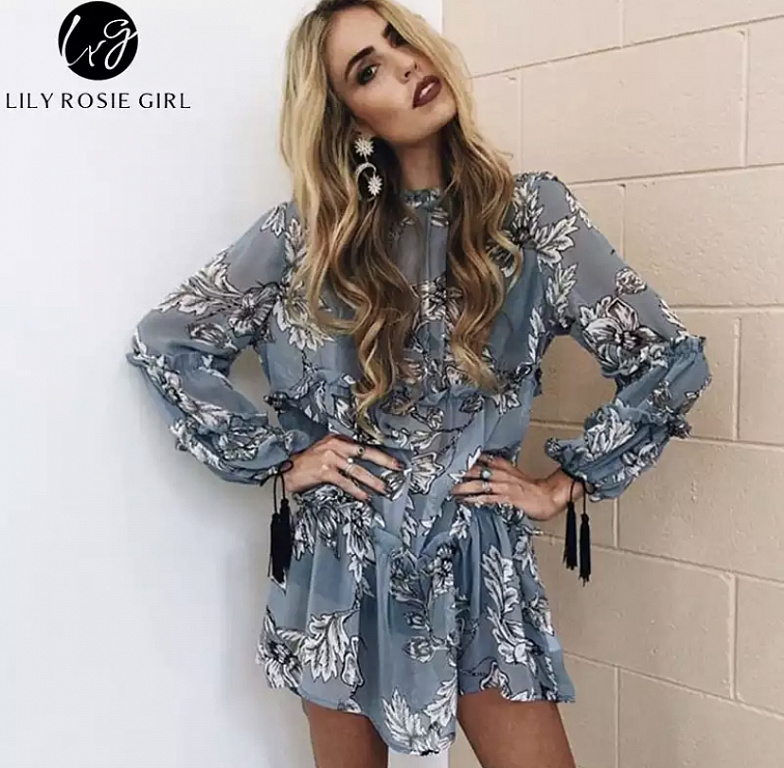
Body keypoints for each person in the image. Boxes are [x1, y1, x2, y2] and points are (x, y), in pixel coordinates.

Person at [125, 0, 713, 765]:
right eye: (367, 69)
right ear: (348, 116)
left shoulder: (530, 216)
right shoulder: (306, 236)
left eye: (400, 39)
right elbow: (167, 342)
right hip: (338, 567)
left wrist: (561, 486)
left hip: (476, 564)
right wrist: (281, 461)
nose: (404, 65)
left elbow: (669, 358)